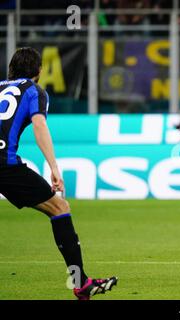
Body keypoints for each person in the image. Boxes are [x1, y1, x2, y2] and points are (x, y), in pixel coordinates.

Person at [0, 48, 118, 300]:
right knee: (59, 207)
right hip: (4, 164)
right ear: (39, 70)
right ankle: (81, 283)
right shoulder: (34, 91)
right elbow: (39, 124)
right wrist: (54, 167)